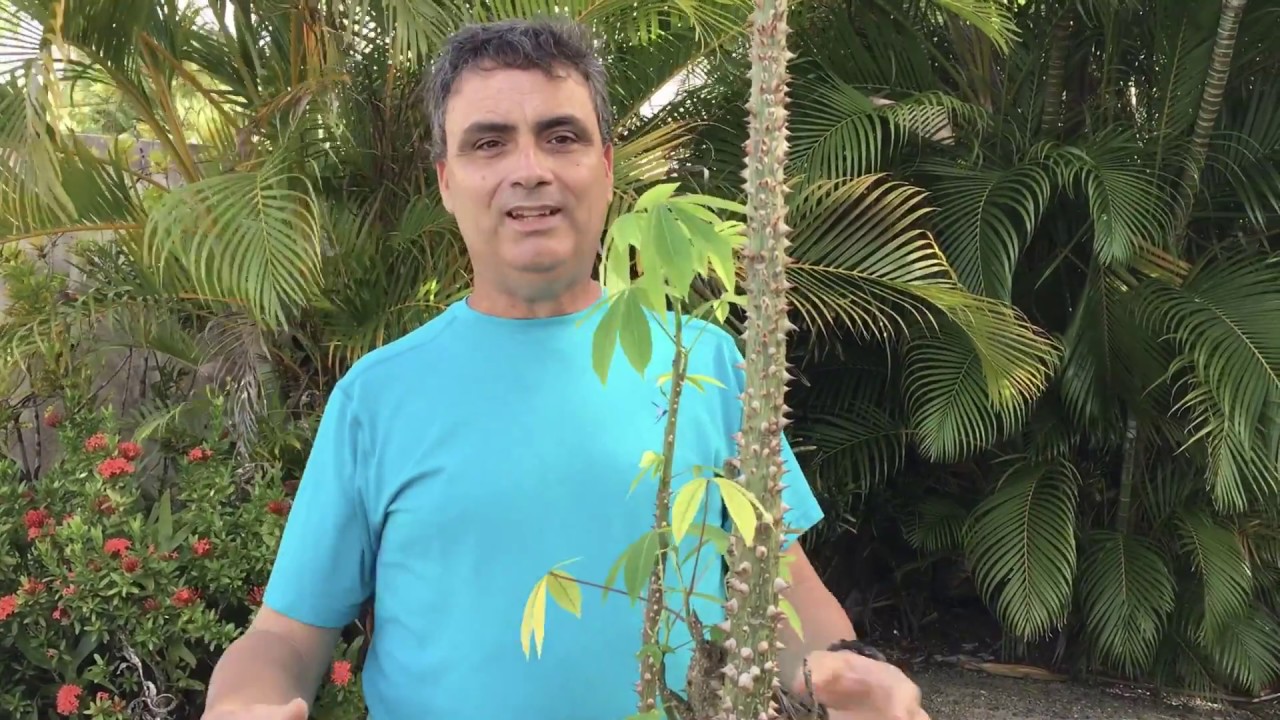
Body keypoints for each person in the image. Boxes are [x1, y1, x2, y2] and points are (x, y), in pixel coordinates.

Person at [200, 17, 929, 720]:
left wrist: (843, 671)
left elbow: (783, 595)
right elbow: (285, 637)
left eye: (561, 136)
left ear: (607, 167)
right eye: (489, 143)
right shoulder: (377, 397)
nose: (530, 169)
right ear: (446, 181)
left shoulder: (700, 362)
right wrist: (244, 699)